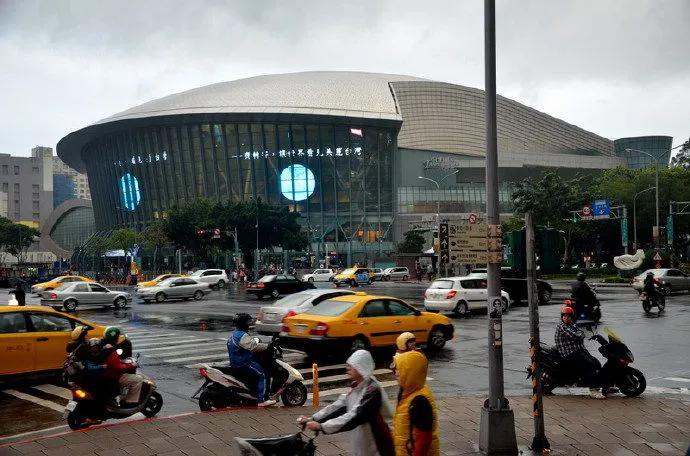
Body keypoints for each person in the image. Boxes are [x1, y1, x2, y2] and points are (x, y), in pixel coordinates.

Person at [298, 350, 394, 456]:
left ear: (362, 367)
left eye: (352, 365)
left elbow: (355, 416)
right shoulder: (357, 386)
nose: (347, 367)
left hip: (378, 447)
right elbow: (339, 406)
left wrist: (322, 426)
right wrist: (313, 419)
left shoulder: (372, 390)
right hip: (364, 445)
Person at [392, 350, 439, 456]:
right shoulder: (408, 391)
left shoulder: (419, 401)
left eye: (400, 369)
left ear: (410, 373)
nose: (396, 372)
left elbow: (423, 441)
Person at [555, 306, 604, 399]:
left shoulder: (572, 325)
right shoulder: (561, 326)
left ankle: (603, 385)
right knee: (588, 365)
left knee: (596, 362)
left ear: (571, 317)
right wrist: (580, 334)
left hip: (578, 351)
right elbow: (576, 335)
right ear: (562, 317)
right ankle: (593, 389)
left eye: (568, 316)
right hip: (569, 353)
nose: (566, 318)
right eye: (564, 316)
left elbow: (581, 333)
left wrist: (580, 334)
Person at [227, 313, 275, 406]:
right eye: (247, 323)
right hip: (243, 364)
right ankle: (262, 400)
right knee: (263, 374)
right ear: (243, 324)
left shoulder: (236, 334)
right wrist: (267, 346)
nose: (249, 325)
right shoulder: (242, 336)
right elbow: (253, 346)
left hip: (236, 363)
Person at [101, 327, 145, 407]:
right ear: (115, 338)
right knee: (138, 379)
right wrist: (131, 365)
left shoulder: (102, 346)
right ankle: (130, 402)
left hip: (106, 373)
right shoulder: (110, 349)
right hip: (113, 376)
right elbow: (118, 367)